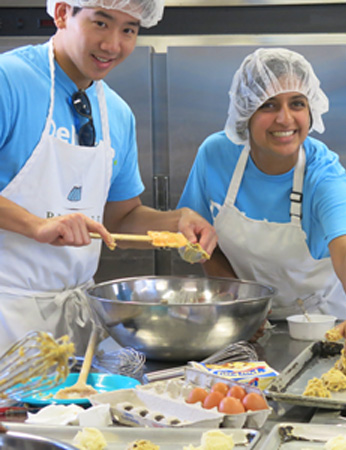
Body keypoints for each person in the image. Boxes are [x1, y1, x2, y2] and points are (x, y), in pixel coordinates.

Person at [0, 0, 217, 354]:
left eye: (128, 29)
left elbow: (120, 218)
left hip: (75, 324)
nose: (113, 44)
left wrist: (175, 222)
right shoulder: (9, 81)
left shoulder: (116, 113)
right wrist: (35, 225)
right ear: (62, 13)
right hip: (6, 314)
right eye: (101, 23)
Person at [178, 48, 346, 354]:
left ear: (311, 109)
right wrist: (241, 302)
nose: (285, 118)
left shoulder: (324, 173)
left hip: (323, 324)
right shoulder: (215, 156)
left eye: (297, 103)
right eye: (268, 105)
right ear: (246, 111)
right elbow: (201, 244)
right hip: (247, 327)